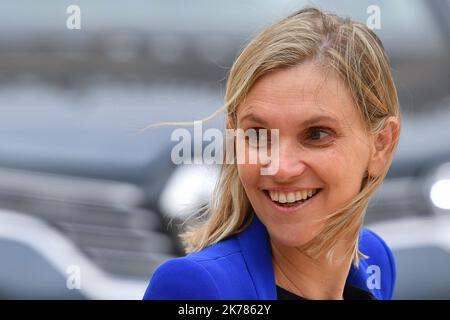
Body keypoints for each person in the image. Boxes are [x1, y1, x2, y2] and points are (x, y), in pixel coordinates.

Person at [143, 7, 400, 300]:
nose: (280, 168)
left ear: (381, 144)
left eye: (316, 134)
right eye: (258, 135)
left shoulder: (373, 260)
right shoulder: (195, 288)